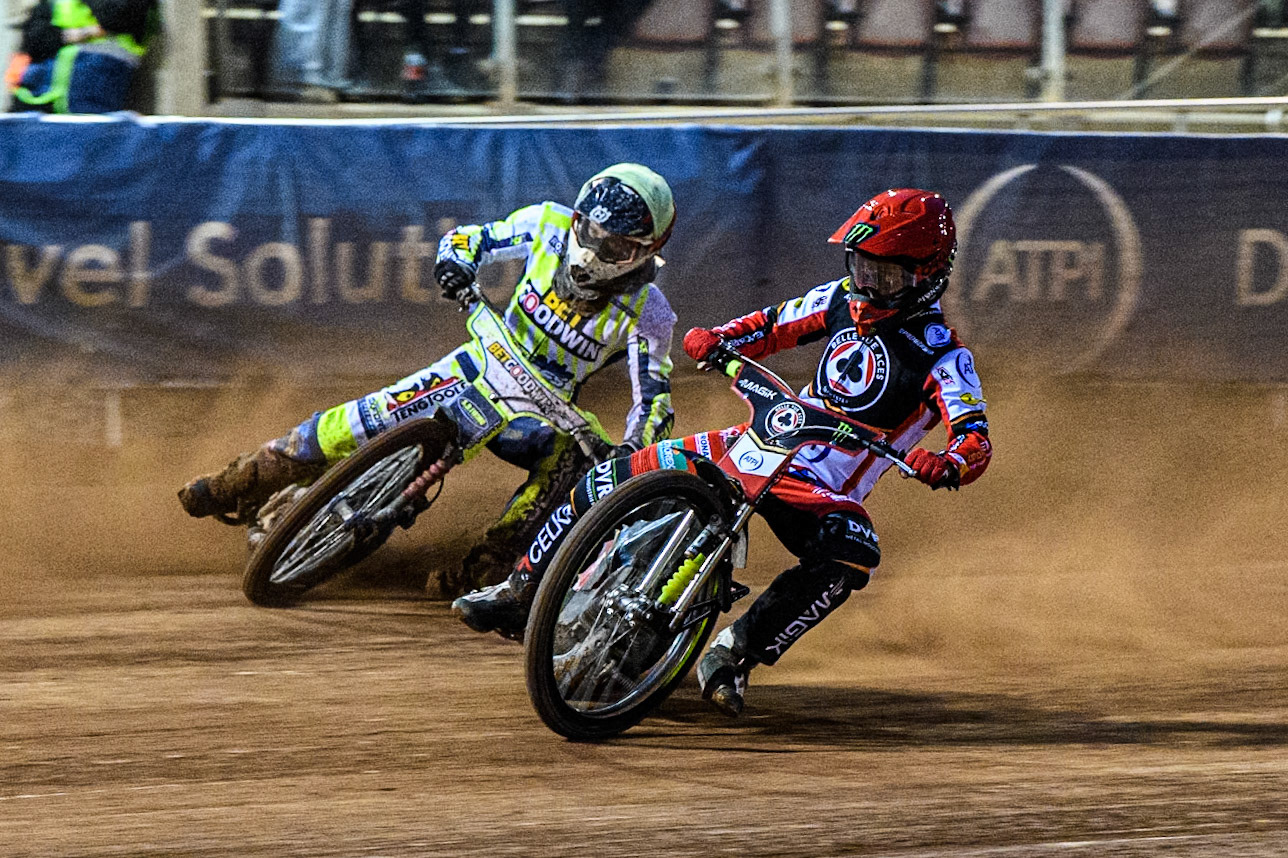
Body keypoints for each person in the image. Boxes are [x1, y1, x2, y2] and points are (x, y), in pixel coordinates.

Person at [455, 188, 992, 720]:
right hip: (759, 439)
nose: (868, 283)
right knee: (611, 476)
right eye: (861, 266)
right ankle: (520, 588)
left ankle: (735, 653)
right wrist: (718, 339)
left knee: (853, 551)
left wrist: (948, 463)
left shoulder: (946, 356)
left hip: (821, 484)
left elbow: (975, 438)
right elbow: (771, 326)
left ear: (927, 275)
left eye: (886, 275)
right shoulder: (837, 299)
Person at [178, 163, 679, 596]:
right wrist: (456, 263)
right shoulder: (546, 223)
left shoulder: (650, 313)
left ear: (645, 250)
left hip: (543, 411)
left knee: (572, 465)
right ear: (577, 218)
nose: (592, 251)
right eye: (589, 231)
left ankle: (488, 571)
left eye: (615, 245)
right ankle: (239, 481)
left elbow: (654, 399)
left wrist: (633, 446)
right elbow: (472, 239)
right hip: (479, 363)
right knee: (360, 419)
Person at [7, 0, 157, 114]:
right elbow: (35, 38)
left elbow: (116, 16)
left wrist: (72, 34)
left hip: (91, 92)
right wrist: (83, 33)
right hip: (38, 96)